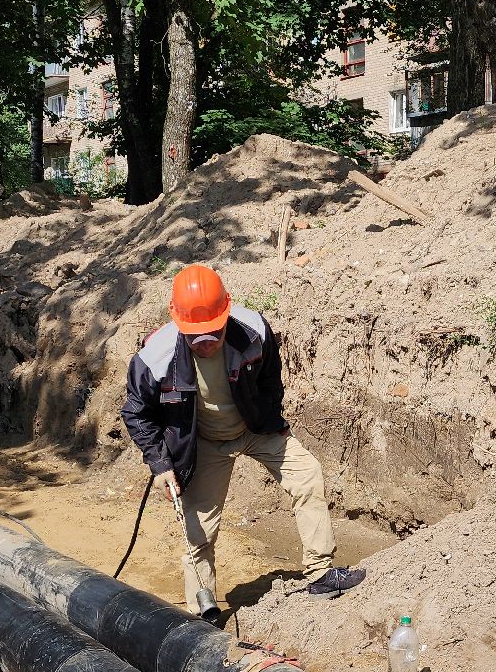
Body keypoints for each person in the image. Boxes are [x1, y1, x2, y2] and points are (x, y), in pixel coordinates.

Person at [121, 264, 365, 622]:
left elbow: (270, 381)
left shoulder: (253, 330)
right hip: (203, 442)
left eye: (213, 333)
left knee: (307, 474)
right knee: (199, 532)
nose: (206, 343)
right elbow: (136, 414)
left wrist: (269, 419)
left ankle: (321, 572)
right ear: (179, 324)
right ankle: (202, 613)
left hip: (254, 429)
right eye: (196, 337)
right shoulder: (155, 357)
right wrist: (161, 464)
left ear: (227, 314)